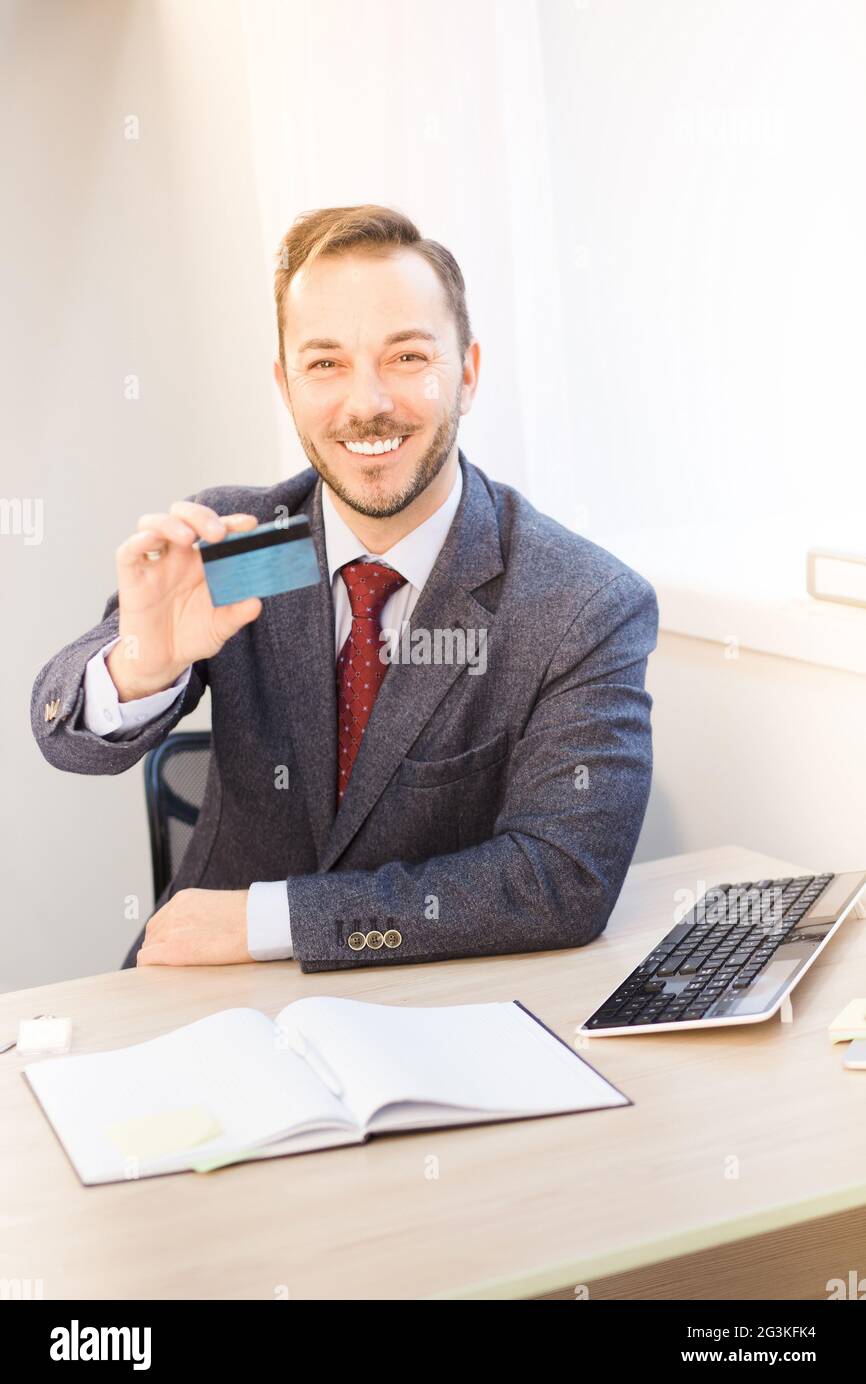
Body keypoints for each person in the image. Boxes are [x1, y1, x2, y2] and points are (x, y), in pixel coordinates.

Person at [31, 203, 659, 973]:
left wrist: (274, 919)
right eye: (325, 364)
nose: (366, 403)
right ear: (286, 386)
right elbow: (63, 739)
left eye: (406, 357)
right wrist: (142, 664)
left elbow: (561, 880)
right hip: (202, 995)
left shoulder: (576, 602)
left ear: (465, 374)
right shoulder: (256, 543)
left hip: (435, 1006)